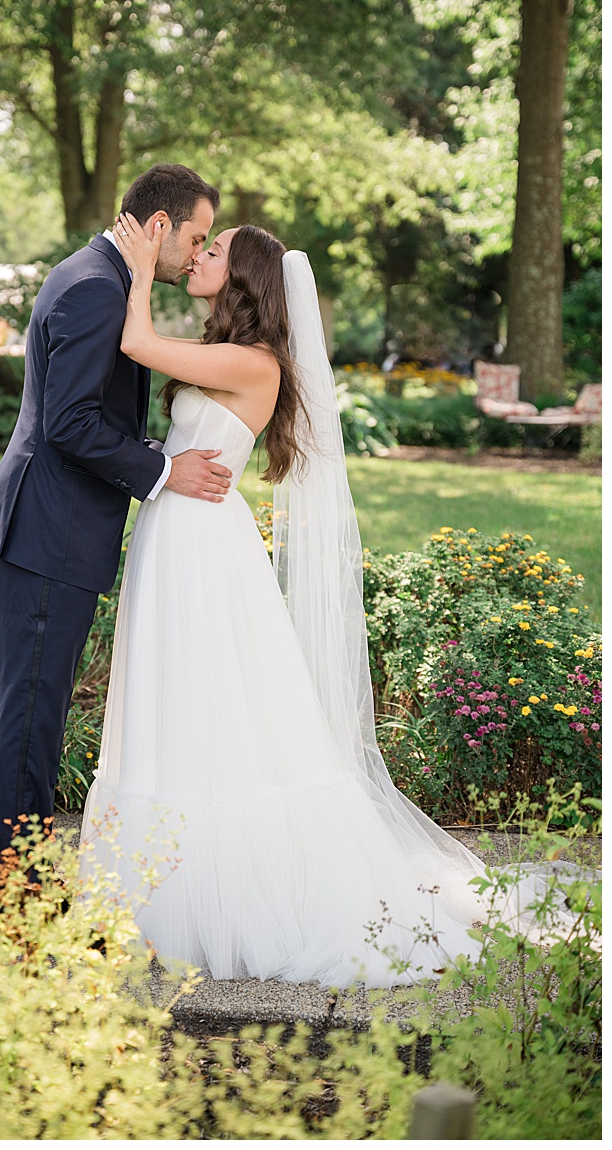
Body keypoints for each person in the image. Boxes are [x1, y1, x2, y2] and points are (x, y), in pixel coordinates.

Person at [81, 213, 498, 984]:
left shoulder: (256, 363)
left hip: (205, 545)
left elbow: (135, 345)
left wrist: (137, 268)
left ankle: (218, 896)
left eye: (215, 251)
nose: (198, 256)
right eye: (200, 245)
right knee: (171, 700)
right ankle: (151, 890)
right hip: (174, 535)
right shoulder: (222, 352)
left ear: (245, 281)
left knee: (212, 702)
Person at [0, 164, 233, 896]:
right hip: (50, 533)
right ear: (159, 228)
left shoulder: (101, 276)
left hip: (52, 530)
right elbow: (72, 424)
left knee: (34, 718)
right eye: (196, 236)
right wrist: (162, 469)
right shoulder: (95, 287)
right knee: (29, 723)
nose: (196, 252)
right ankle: (16, 902)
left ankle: (20, 889)